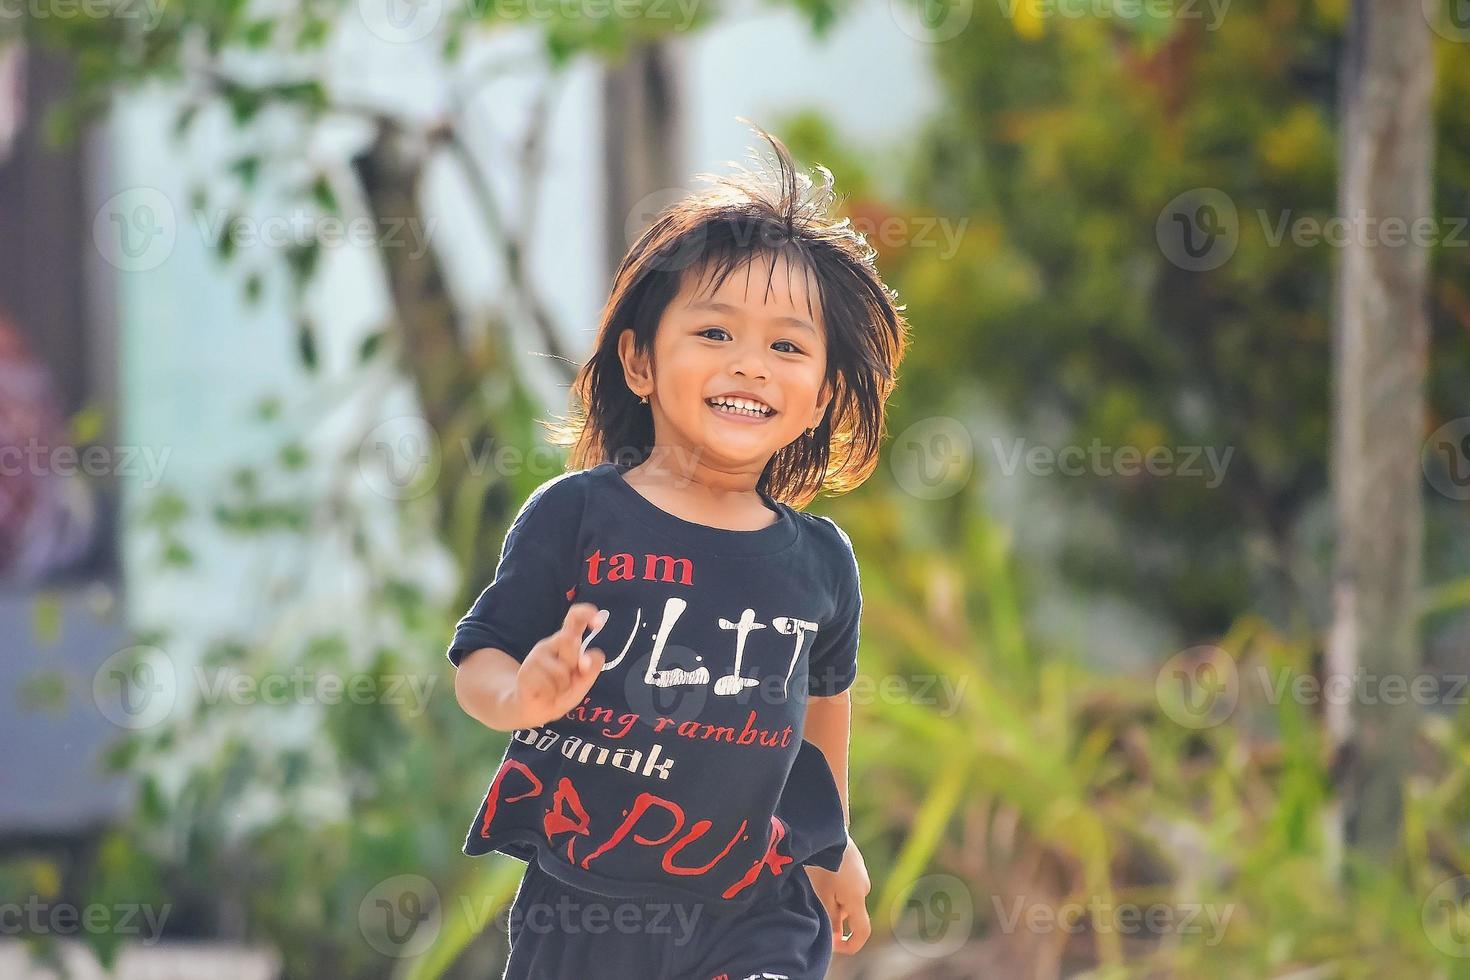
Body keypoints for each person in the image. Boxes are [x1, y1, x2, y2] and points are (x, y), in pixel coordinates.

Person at [446, 121, 909, 980]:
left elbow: (821, 713)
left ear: (819, 399)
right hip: (586, 904)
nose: (751, 366)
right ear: (639, 362)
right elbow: (479, 661)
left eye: (787, 346)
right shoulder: (579, 516)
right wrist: (521, 695)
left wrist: (830, 841)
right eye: (714, 333)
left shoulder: (819, 562)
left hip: (756, 909)